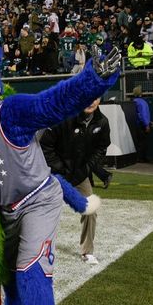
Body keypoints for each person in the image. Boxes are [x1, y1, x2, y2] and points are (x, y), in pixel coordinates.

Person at [41, 97, 110, 265]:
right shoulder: (63, 116)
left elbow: (102, 148)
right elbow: (45, 146)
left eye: (96, 97)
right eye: (88, 96)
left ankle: (87, 252)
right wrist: (61, 169)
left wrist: (87, 169)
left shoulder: (102, 121)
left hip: (79, 175)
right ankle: (37, 250)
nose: (91, 101)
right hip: (53, 174)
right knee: (40, 210)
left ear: (100, 99)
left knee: (90, 210)